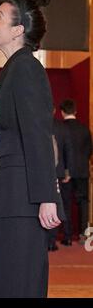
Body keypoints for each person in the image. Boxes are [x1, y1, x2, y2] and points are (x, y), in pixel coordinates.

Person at [0, 0, 64, 298]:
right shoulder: (14, 69)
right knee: (8, 280)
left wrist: (46, 197)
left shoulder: (26, 68)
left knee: (18, 282)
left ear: (18, 30)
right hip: (14, 195)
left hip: (24, 199)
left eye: (0, 17)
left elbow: (38, 134)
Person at [60, 99, 92, 245]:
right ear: (75, 111)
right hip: (82, 171)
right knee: (83, 202)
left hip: (66, 172)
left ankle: (67, 236)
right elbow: (90, 150)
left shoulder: (60, 128)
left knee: (65, 203)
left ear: (62, 112)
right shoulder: (85, 129)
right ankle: (84, 235)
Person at [48, 109, 73, 251]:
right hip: (59, 172)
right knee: (60, 206)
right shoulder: (63, 127)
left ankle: (47, 240)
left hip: (43, 172)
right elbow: (68, 150)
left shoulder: (38, 123)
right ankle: (60, 238)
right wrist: (68, 171)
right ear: (55, 111)